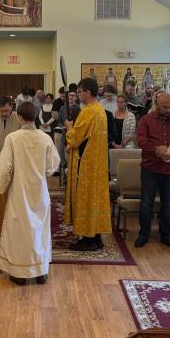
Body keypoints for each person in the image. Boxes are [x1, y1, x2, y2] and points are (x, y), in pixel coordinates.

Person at [0, 102, 60, 284]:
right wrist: (40, 172)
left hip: (20, 191)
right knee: (39, 230)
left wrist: (0, 187)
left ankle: (19, 273)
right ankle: (40, 272)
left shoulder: (13, 138)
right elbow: (53, 165)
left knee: (20, 231)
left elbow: (5, 168)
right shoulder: (45, 138)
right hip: (39, 191)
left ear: (19, 117)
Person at [135, 92, 170, 249]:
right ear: (156, 105)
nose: (168, 110)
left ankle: (166, 235)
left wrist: (169, 148)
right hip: (150, 167)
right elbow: (141, 140)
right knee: (146, 203)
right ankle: (143, 234)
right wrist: (157, 150)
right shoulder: (146, 120)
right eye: (164, 107)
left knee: (168, 204)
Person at [64, 78, 110, 251]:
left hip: (85, 165)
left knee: (85, 199)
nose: (78, 95)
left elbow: (76, 139)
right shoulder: (101, 110)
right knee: (94, 199)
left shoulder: (88, 111)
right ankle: (96, 237)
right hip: (97, 164)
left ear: (88, 92)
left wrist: (69, 128)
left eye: (80, 92)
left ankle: (88, 239)